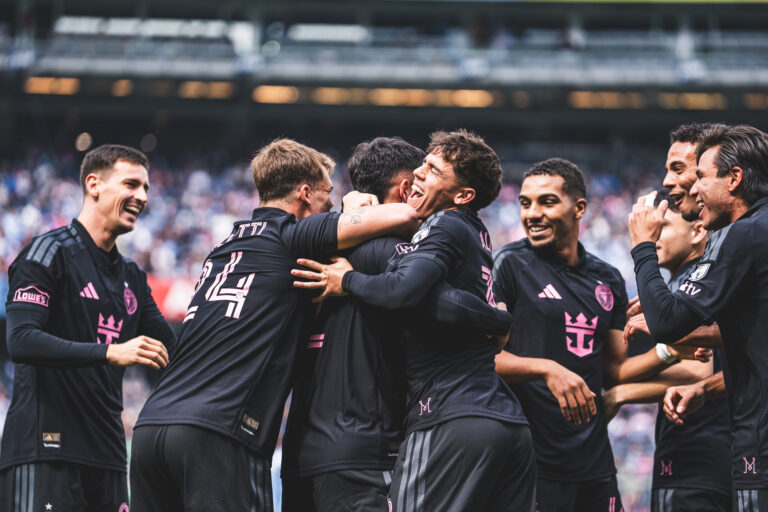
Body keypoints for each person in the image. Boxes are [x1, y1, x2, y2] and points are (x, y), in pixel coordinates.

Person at [130, 138, 419, 512]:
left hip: (151, 428)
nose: (331, 204)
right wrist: (353, 205)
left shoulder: (224, 247)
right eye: (327, 196)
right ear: (304, 194)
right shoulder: (291, 235)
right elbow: (405, 217)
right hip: (218, 433)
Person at [292, 129, 536, 511]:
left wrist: (349, 279)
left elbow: (405, 290)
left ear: (463, 195)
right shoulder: (476, 237)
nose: (420, 175)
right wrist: (497, 319)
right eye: (421, 166)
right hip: (498, 416)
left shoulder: (433, 230)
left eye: (433, 169)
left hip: (443, 415)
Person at [493, 158, 703, 512]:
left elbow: (613, 371)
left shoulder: (607, 279)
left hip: (594, 461)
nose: (532, 214)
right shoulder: (509, 265)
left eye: (546, 201)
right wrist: (547, 369)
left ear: (579, 208)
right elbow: (485, 357)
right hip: (531, 459)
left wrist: (669, 351)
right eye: (525, 203)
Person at [0, 144, 175, 511]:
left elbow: (175, 349)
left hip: (109, 458)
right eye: (131, 184)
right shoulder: (49, 253)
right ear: (93, 184)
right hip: (47, 452)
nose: (141, 196)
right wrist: (111, 352)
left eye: (145, 188)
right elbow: (21, 340)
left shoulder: (133, 277)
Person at [629, 125, 768, 511]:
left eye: (701, 177)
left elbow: (667, 322)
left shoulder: (744, 234)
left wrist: (642, 246)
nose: (692, 190)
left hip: (755, 443)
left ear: (735, 178)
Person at [604, 189, 731, 512]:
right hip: (689, 449)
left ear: (697, 231)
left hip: (701, 450)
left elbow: (698, 370)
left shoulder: (698, 287)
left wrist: (622, 393)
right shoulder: (676, 287)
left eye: (663, 229)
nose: (652, 238)